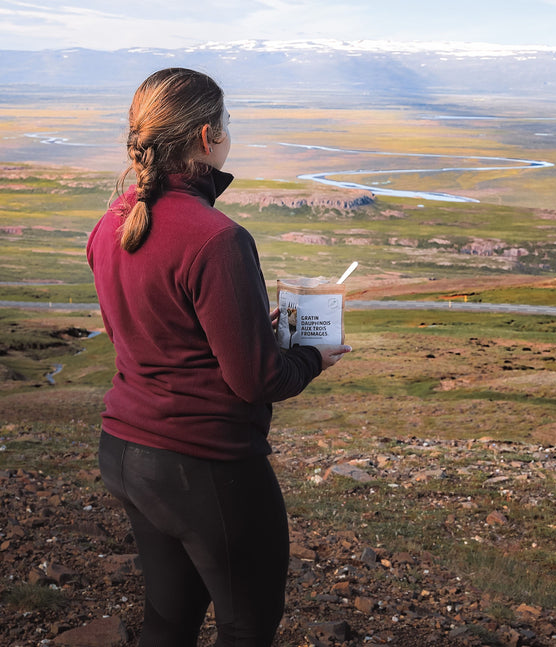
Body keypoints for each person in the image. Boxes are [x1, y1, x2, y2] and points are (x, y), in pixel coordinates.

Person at [86, 67, 351, 647]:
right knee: (246, 626)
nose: (230, 134)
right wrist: (311, 357)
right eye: (227, 123)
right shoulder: (217, 238)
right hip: (204, 463)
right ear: (208, 137)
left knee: (168, 620)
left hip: (126, 452)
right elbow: (257, 380)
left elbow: (146, 334)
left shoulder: (110, 225)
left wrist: (250, 328)